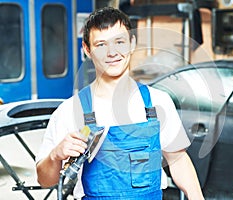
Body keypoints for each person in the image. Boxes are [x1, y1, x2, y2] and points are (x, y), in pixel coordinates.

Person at [36, 7, 205, 200]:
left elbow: (178, 160)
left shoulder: (158, 102)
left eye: (119, 42)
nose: (112, 52)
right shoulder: (70, 110)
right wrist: (55, 156)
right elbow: (45, 180)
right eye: (101, 45)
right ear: (87, 50)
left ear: (132, 43)